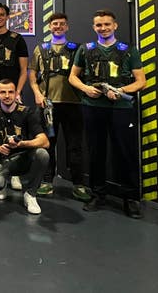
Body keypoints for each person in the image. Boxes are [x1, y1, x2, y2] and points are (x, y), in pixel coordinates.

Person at [68, 9, 146, 218]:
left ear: (115, 25)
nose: (103, 28)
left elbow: (141, 81)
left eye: (107, 24)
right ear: (94, 27)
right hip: (92, 107)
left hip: (121, 109)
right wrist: (86, 89)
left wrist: (121, 91)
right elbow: (73, 77)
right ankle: (98, 194)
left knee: (126, 153)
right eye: (99, 25)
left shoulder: (129, 50)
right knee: (96, 152)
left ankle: (131, 198)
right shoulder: (85, 49)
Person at [28, 12, 90, 202]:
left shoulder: (77, 49)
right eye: (55, 24)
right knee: (48, 145)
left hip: (73, 104)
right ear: (50, 26)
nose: (58, 27)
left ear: (67, 26)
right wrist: (37, 93)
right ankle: (47, 181)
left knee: (75, 146)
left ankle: (78, 184)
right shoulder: (41, 49)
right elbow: (32, 74)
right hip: (48, 106)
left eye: (62, 24)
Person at [0, 80, 49, 215]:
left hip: (20, 159)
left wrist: (22, 144)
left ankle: (30, 194)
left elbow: (45, 142)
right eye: (3, 92)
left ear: (16, 93)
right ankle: (2, 184)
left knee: (42, 154)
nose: (7, 96)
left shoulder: (27, 112)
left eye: (10, 92)